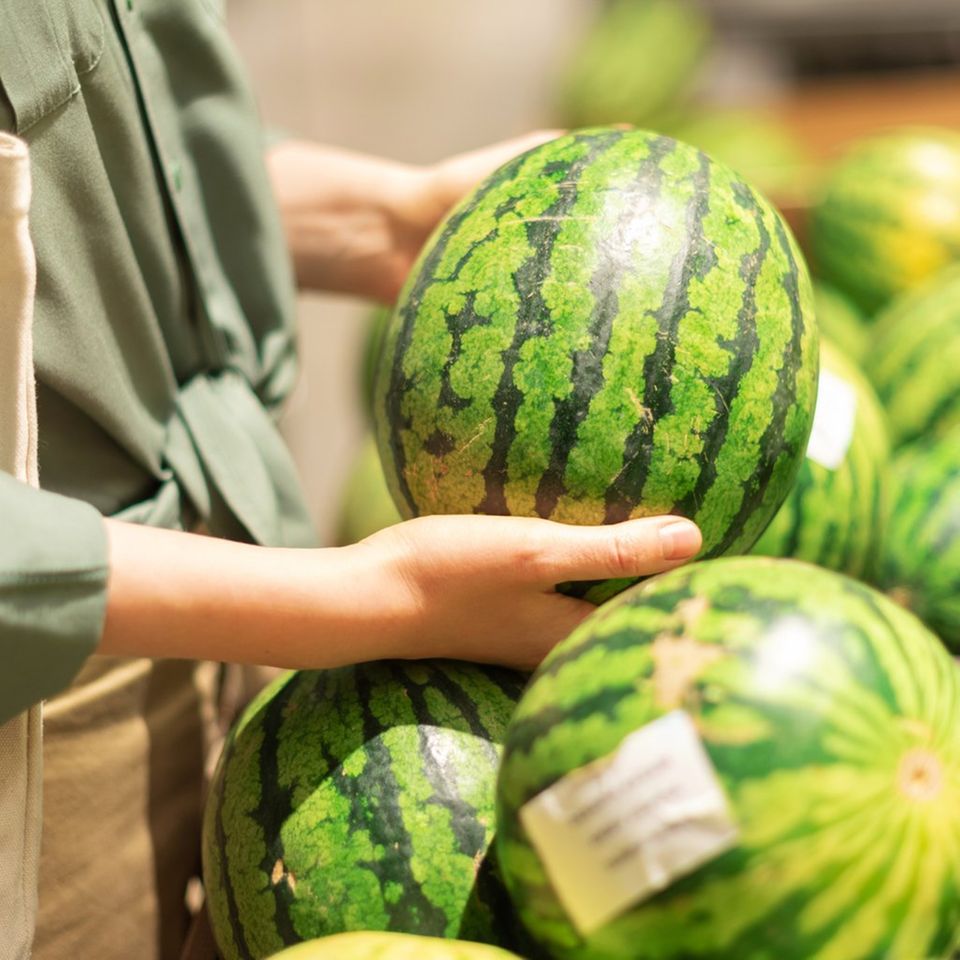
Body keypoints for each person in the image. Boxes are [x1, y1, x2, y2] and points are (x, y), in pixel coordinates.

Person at [0, 4, 703, 960]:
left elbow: (96, 129)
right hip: (41, 719)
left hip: (195, 603)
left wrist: (384, 218)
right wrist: (364, 596)